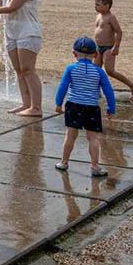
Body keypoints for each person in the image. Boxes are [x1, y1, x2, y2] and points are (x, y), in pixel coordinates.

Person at [54, 37, 116, 177]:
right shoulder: (99, 72)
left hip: (74, 106)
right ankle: (95, 166)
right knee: (93, 138)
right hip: (92, 107)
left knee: (70, 135)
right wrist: (111, 109)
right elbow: (108, 91)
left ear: (74, 54)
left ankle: (64, 162)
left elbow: (62, 87)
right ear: (95, 55)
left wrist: (58, 103)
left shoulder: (71, 69)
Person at [94, 0, 133, 101]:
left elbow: (119, 32)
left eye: (98, 5)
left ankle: (132, 85)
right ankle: (96, 90)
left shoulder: (111, 17)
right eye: (95, 5)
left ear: (107, 6)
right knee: (95, 70)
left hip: (109, 47)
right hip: (98, 47)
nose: (96, 7)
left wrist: (116, 46)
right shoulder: (98, 15)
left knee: (110, 71)